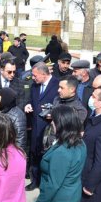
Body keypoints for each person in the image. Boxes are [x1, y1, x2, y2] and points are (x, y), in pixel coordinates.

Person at [29, 105, 87, 202]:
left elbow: (53, 184)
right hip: (70, 197)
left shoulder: (62, 152)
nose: (52, 124)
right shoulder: (79, 142)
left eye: (53, 121)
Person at [24, 62, 59, 191]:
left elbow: (62, 105)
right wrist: (28, 104)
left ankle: (45, 183)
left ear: (44, 74)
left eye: (35, 75)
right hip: (35, 126)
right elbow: (31, 99)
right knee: (34, 153)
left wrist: (53, 114)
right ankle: (35, 181)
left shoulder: (57, 85)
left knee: (47, 156)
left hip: (50, 128)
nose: (33, 78)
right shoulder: (35, 86)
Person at [0, 87, 27, 152]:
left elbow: (20, 139)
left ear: (5, 99)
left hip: (9, 154)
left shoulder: (17, 116)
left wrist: (15, 157)